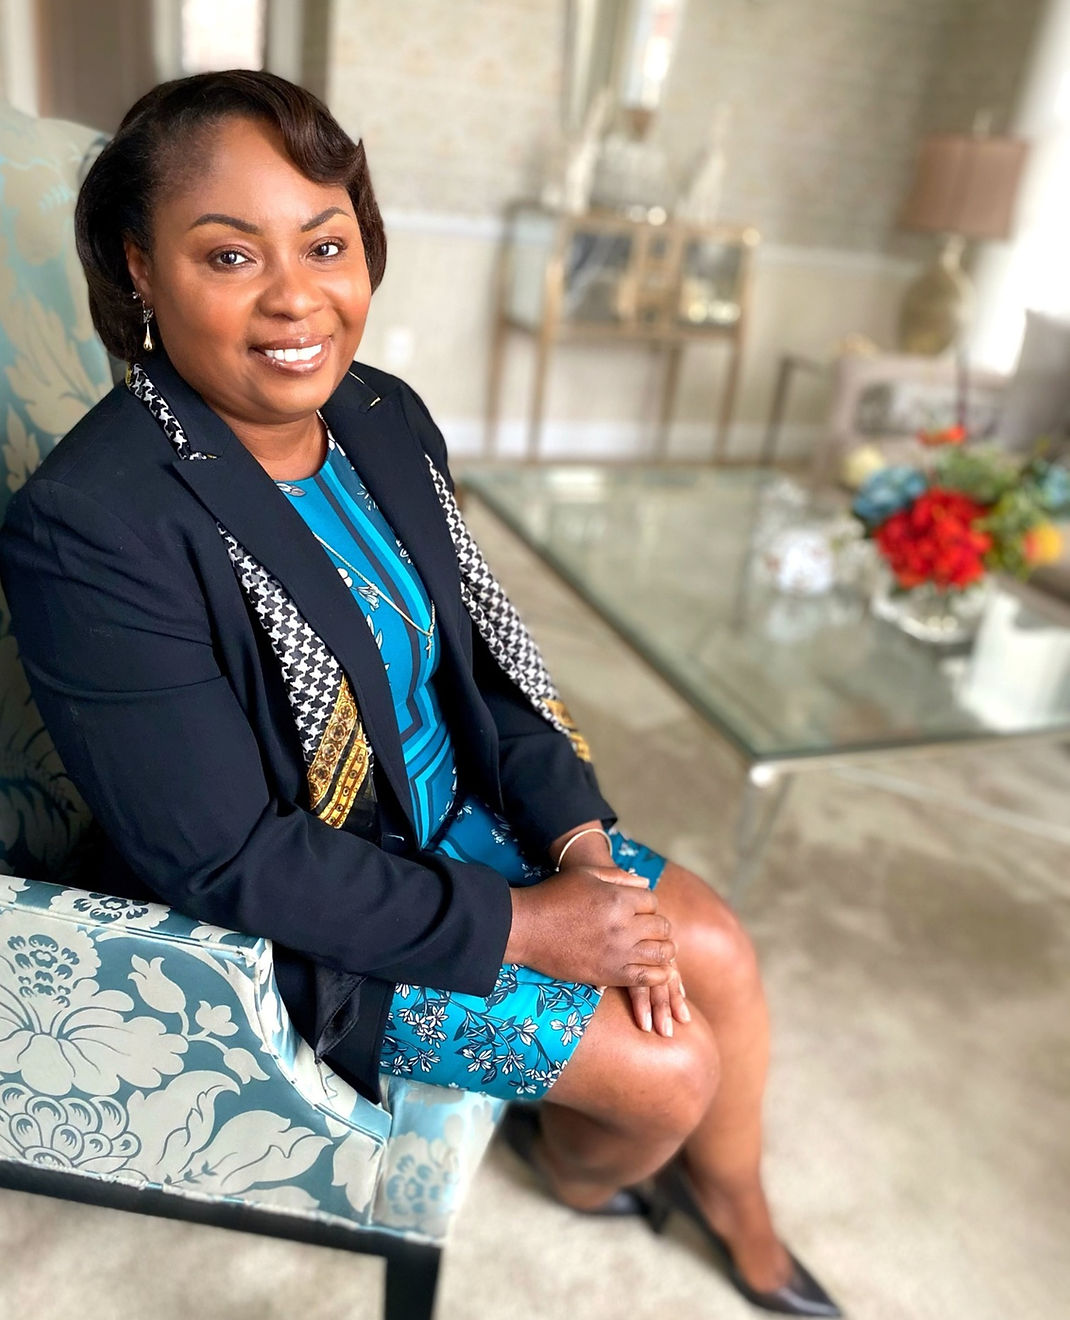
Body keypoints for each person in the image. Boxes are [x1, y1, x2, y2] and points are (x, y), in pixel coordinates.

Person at [0, 71, 840, 1317]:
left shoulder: (381, 416)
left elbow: (486, 671)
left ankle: (736, 1209)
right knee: (668, 1072)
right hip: (305, 926)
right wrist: (536, 928)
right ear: (139, 268)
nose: (297, 297)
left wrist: (579, 847)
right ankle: (578, 1178)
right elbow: (225, 861)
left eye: (324, 243)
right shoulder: (93, 523)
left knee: (712, 946)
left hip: (456, 815)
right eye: (228, 255)